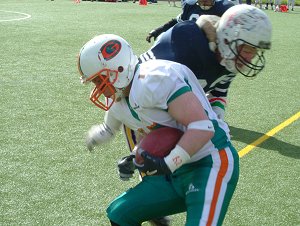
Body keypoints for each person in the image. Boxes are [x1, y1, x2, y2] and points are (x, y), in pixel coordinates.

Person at [78, 5, 272, 226]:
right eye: (248, 48)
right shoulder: (127, 97)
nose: (97, 88)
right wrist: (137, 157)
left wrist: (167, 163)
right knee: (119, 212)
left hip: (208, 160)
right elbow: (157, 125)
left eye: (97, 80)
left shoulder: (155, 78)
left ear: (117, 70)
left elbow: (203, 125)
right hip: (175, 155)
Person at [146, 0, 234, 43]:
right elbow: (176, 21)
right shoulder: (191, 7)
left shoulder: (223, 8)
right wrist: (158, 30)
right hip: (191, 49)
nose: (204, 2)